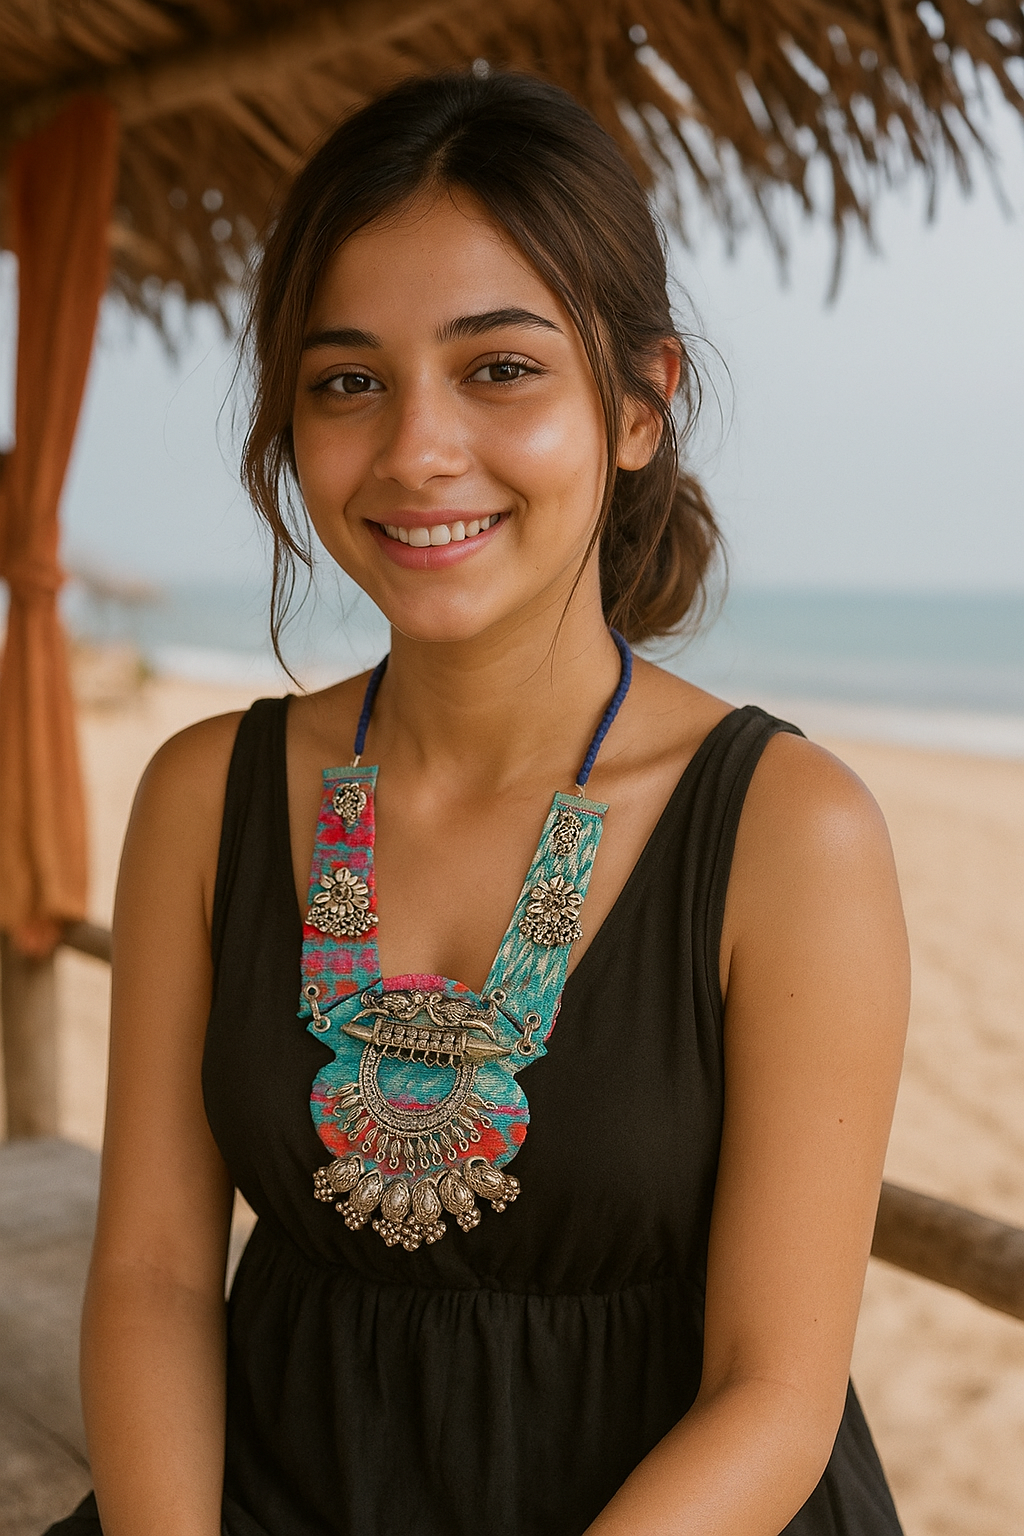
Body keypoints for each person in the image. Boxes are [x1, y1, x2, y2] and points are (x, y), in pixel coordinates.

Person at [50, 69, 909, 1536]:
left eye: (497, 368)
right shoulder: (209, 797)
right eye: (347, 381)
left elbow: (776, 1390)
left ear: (639, 405)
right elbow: (154, 1277)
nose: (415, 451)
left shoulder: (790, 832)